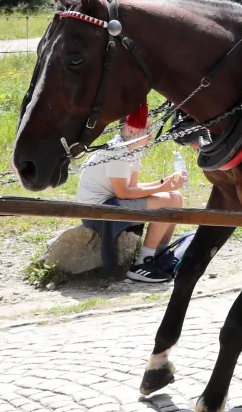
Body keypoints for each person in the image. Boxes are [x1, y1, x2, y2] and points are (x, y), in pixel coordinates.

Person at [75, 101, 187, 283]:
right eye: (147, 128)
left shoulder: (134, 150)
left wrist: (165, 182)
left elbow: (132, 188)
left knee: (176, 198)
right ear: (131, 128)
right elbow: (123, 193)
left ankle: (159, 254)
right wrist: (163, 187)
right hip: (97, 211)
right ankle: (143, 263)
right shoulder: (117, 151)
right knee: (169, 199)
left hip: (112, 201)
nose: (151, 133)